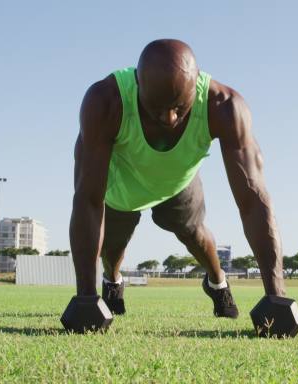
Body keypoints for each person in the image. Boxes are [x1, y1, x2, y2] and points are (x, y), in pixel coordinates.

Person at [70, 39, 286, 318]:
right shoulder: (105, 101)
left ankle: (217, 283)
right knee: (111, 250)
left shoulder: (225, 107)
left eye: (180, 108)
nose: (170, 119)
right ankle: (112, 281)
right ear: (138, 85)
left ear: (195, 86)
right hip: (122, 187)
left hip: (177, 182)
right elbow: (87, 199)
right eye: (157, 108)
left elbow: (253, 200)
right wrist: (85, 299)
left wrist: (277, 297)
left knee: (195, 234)